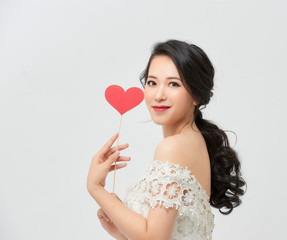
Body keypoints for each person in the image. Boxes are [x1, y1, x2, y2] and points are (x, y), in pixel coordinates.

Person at [87, 39, 246, 240]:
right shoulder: (194, 142)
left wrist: (95, 188)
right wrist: (122, 232)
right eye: (152, 82)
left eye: (173, 84)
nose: (159, 95)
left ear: (196, 95)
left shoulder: (173, 147)